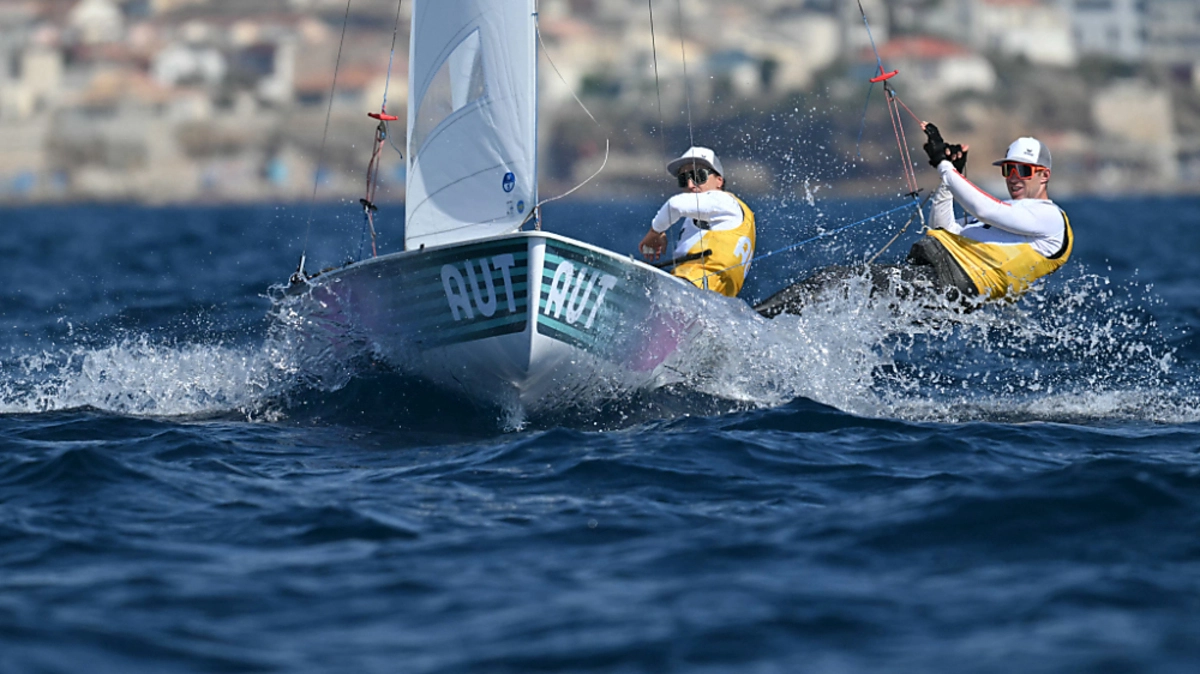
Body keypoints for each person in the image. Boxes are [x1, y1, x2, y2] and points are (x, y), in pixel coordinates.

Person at [754, 125, 1073, 317]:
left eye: (1023, 170)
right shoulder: (1012, 216)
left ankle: (756, 323)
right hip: (935, 281)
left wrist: (944, 166)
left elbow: (985, 210)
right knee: (838, 296)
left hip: (948, 289)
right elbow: (942, 230)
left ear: (1044, 175)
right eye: (1008, 169)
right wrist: (952, 179)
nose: (1014, 177)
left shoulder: (1049, 218)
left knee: (832, 283)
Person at [639, 146, 757, 298]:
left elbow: (675, 205)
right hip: (710, 302)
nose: (690, 184)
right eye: (684, 179)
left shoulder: (726, 202)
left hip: (692, 293)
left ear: (719, 181)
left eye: (699, 176)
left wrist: (654, 233)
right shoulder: (709, 217)